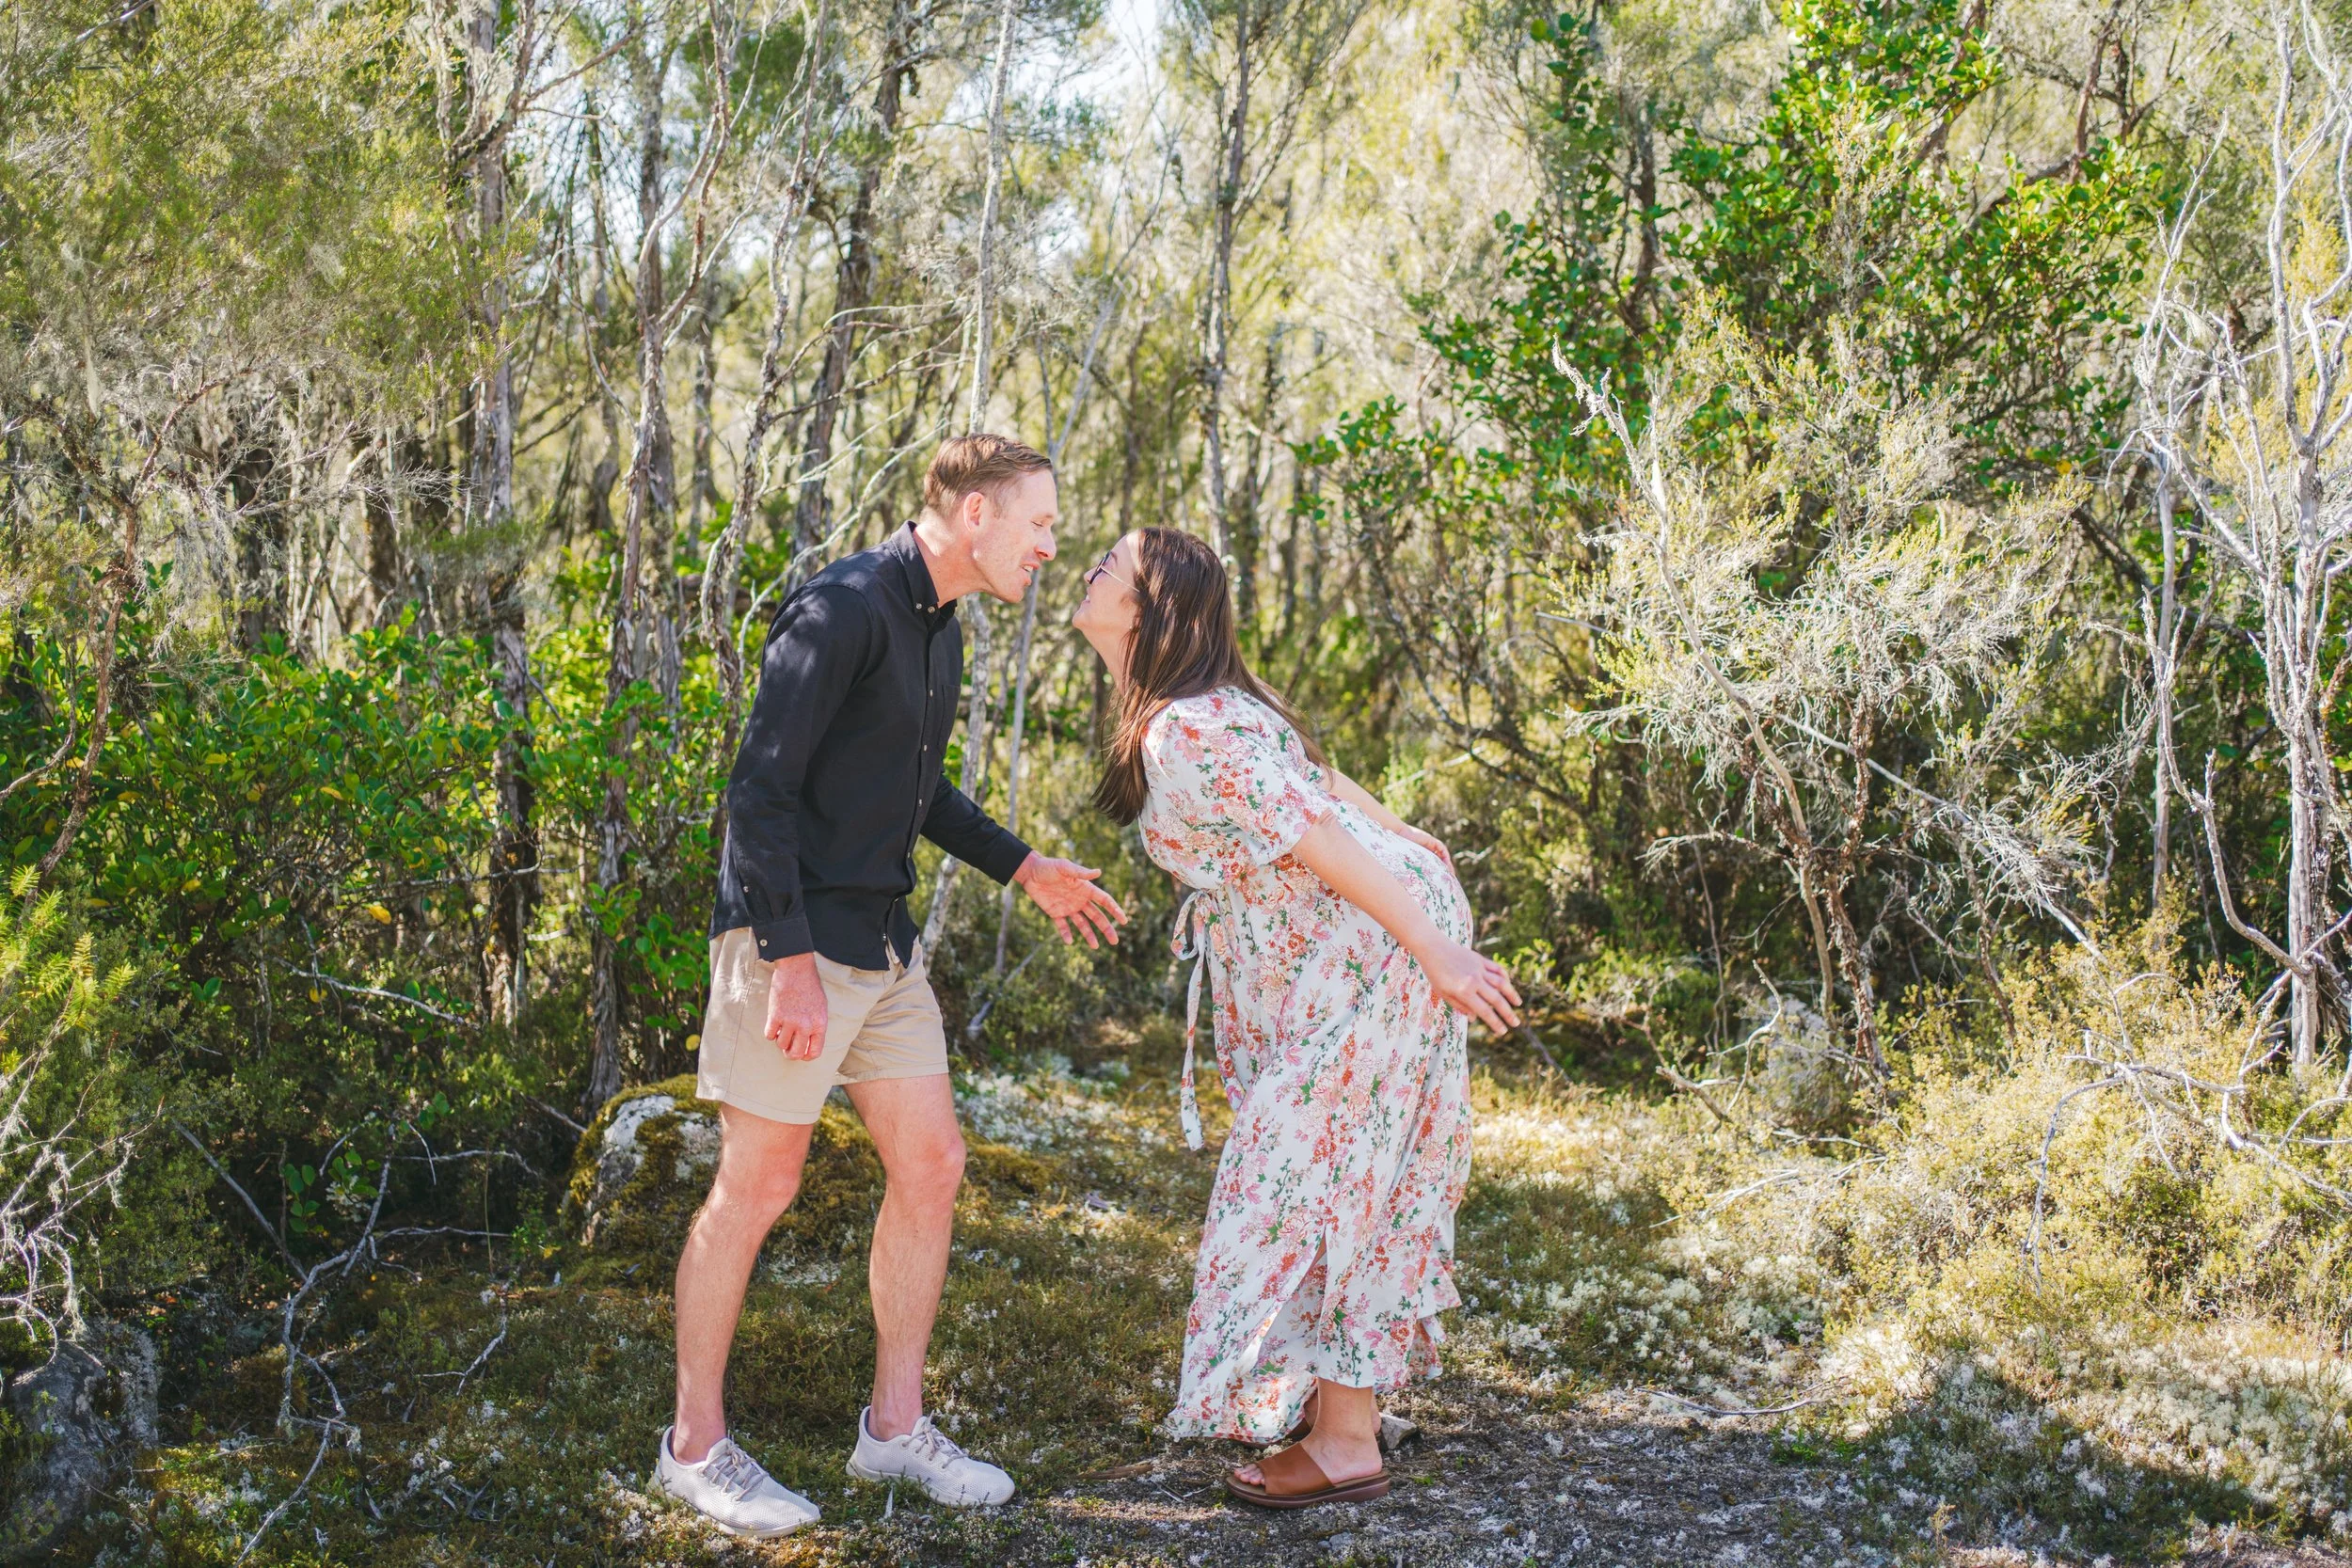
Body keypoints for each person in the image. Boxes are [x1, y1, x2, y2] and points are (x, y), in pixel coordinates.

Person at [656, 435, 1130, 1537]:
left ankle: (892, 1428)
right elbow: (758, 793)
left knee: (933, 1161)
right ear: (973, 514)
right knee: (758, 1186)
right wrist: (786, 962)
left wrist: (1028, 866)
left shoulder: (939, 627)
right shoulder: (845, 608)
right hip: (793, 944)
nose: (1051, 546)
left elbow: (918, 792)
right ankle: (693, 1446)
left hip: (882, 942)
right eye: (1039, 523)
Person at [1072, 526, 1519, 1511]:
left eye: (1110, 566)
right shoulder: (1205, 709)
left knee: (1314, 1179)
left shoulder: (1180, 729)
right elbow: (1316, 782)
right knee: (1348, 1169)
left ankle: (1347, 1437)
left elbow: (1311, 824)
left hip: (1367, 952)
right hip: (1357, 944)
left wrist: (1433, 942)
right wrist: (1412, 843)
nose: (1089, 570)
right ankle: (1339, 1404)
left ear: (1151, 611)